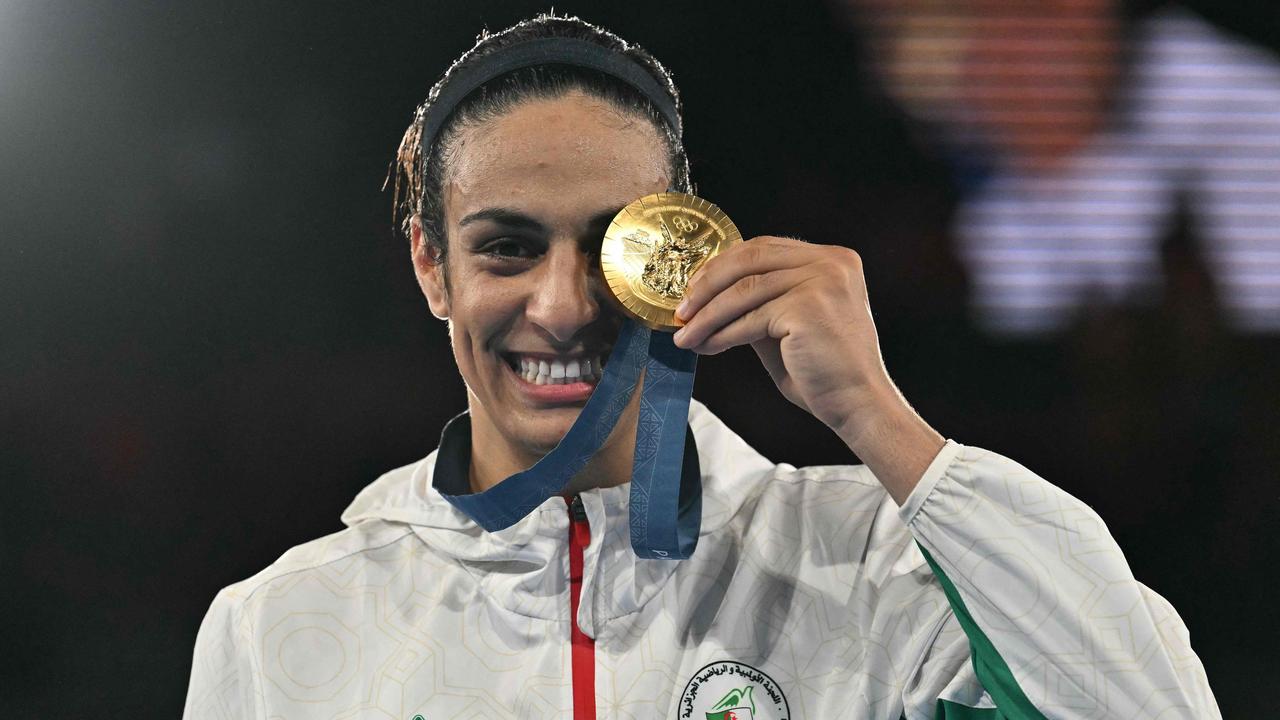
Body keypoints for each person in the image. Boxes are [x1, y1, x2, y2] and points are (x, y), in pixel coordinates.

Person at [183, 14, 1220, 719]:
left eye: (607, 246)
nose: (560, 306)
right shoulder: (280, 629)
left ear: (677, 248)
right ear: (430, 265)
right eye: (506, 246)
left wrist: (878, 419)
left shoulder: (874, 565)